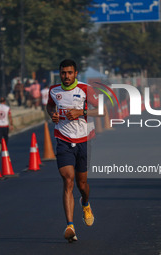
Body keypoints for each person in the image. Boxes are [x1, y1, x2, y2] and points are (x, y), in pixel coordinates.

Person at [46, 59, 98, 242]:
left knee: (81, 185)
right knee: (68, 180)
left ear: (76, 73)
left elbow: (101, 111)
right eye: (63, 73)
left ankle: (85, 203)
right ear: (59, 74)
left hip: (83, 141)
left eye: (69, 73)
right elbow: (50, 106)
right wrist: (51, 115)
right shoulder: (54, 91)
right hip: (63, 141)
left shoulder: (85, 89)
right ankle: (70, 226)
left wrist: (80, 113)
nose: (66, 76)